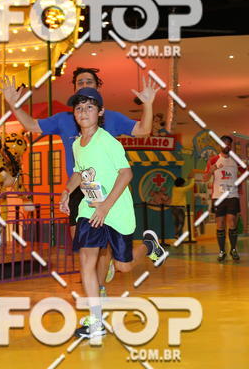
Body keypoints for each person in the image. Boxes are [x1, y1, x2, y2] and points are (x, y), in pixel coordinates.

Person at [2, 68, 159, 296]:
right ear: (74, 89)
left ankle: (112, 275)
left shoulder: (111, 122)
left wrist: (148, 105)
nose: (84, 86)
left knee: (112, 257)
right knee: (87, 250)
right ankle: (96, 299)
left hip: (112, 193)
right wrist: (14, 105)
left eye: (89, 82)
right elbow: (33, 126)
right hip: (82, 191)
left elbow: (143, 132)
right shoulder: (65, 120)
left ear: (98, 93)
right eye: (80, 82)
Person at [59, 88, 166, 339]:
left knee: (123, 266)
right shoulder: (76, 144)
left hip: (116, 210)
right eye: (79, 108)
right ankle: (96, 321)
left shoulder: (107, 141)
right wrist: (66, 191)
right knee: (86, 261)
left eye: (89, 107)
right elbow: (79, 172)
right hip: (90, 209)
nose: (83, 112)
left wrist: (106, 206)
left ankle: (149, 246)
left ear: (100, 112)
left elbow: (126, 174)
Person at [203, 135, 243, 262]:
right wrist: (211, 170)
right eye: (224, 143)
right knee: (220, 224)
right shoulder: (213, 160)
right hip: (218, 196)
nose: (226, 146)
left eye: (229, 144)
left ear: (231, 146)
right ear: (219, 145)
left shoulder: (236, 160)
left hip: (232, 195)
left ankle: (233, 249)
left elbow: (243, 173)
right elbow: (205, 178)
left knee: (232, 222)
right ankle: (222, 251)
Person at [170, 173, 195, 238]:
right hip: (180, 208)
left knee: (176, 223)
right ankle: (176, 234)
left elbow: (180, 182)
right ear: (182, 184)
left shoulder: (174, 188)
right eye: (183, 183)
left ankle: (176, 234)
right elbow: (191, 186)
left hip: (173, 208)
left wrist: (187, 179)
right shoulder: (182, 189)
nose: (184, 184)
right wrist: (192, 179)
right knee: (181, 222)